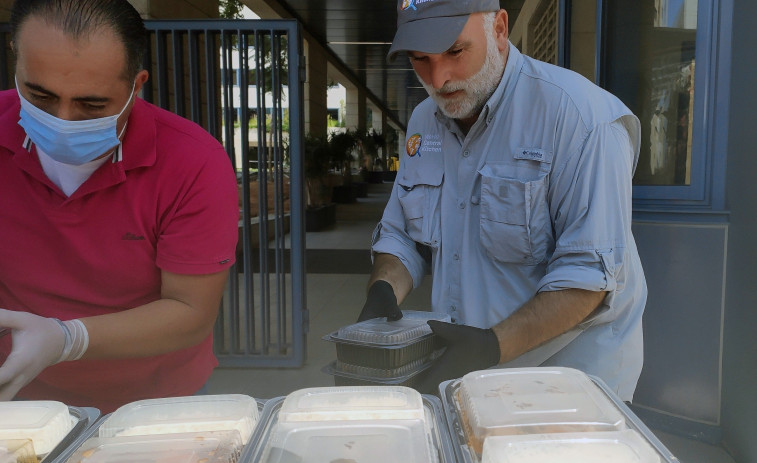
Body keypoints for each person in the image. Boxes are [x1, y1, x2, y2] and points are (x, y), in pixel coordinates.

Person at [359, 0, 647, 401]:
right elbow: (403, 236)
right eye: (420, 59)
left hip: (569, 388)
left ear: (498, 28)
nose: (439, 78)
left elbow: (587, 280)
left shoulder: (582, 120)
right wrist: (384, 289)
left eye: (455, 52)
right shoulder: (426, 122)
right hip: (468, 375)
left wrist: (490, 347)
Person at [0, 0, 239, 413]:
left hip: (157, 401)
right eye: (40, 96)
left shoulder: (192, 161)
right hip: (20, 393)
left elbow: (190, 310)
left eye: (92, 105)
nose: (64, 119)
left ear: (136, 84)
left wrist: (66, 339)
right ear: (15, 61)